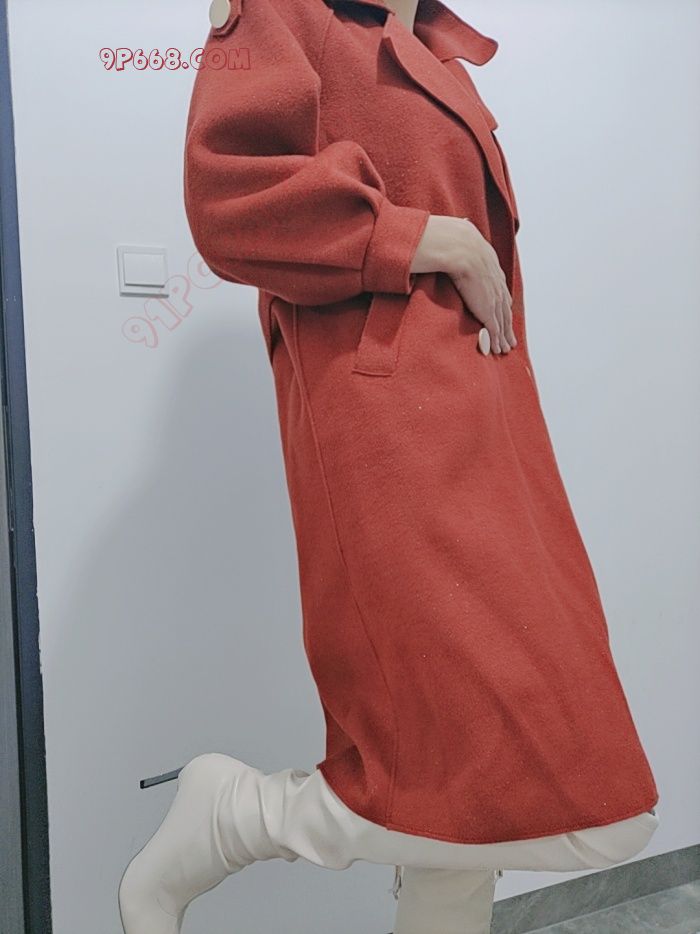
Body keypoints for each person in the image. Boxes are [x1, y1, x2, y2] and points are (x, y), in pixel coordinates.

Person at [118, 0, 660, 931]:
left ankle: (250, 819)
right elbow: (226, 197)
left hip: (490, 426)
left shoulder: (436, 49)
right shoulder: (288, 12)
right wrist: (422, 236)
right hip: (389, 437)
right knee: (524, 778)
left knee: (470, 780)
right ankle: (235, 816)